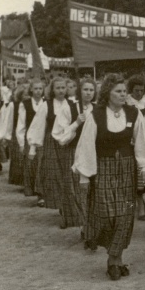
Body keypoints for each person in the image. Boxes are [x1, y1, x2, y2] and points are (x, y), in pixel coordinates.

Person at [73, 73, 145, 280]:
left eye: (124, 91)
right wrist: (84, 176)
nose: (123, 95)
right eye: (118, 91)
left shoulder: (133, 113)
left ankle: (114, 259)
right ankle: (113, 254)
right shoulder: (96, 115)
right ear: (107, 93)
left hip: (127, 171)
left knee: (124, 216)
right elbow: (86, 145)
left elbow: (143, 141)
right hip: (103, 169)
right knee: (106, 214)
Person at [52, 77, 97, 234]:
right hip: (73, 152)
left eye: (91, 90)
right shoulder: (68, 108)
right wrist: (76, 123)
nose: (88, 93)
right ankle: (80, 223)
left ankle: (89, 225)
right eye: (85, 89)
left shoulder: (98, 108)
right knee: (74, 189)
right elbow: (59, 135)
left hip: (93, 154)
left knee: (92, 189)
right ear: (79, 91)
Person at [26, 76, 69, 212]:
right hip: (51, 142)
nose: (61, 91)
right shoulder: (47, 105)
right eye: (58, 88)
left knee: (66, 172)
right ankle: (53, 199)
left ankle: (66, 202)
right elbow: (37, 126)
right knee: (52, 171)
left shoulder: (72, 104)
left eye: (63, 88)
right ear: (52, 90)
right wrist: (33, 148)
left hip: (68, 141)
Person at [126, 74, 145, 220]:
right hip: (131, 141)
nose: (139, 93)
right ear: (131, 90)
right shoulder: (127, 102)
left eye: (141, 90)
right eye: (136, 90)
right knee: (134, 174)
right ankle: (139, 203)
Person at [16, 79, 45, 204]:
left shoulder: (46, 102)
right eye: (36, 88)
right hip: (30, 137)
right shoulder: (25, 104)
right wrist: (21, 143)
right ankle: (35, 191)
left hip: (43, 137)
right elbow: (21, 125)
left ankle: (42, 194)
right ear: (31, 90)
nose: (38, 91)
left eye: (40, 89)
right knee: (32, 165)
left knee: (42, 165)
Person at [0, 84, 27, 188]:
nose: (26, 97)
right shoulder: (13, 105)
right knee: (18, 157)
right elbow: (9, 121)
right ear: (20, 95)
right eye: (24, 95)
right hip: (15, 133)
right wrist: (6, 136)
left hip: (29, 133)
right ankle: (19, 179)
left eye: (28, 94)